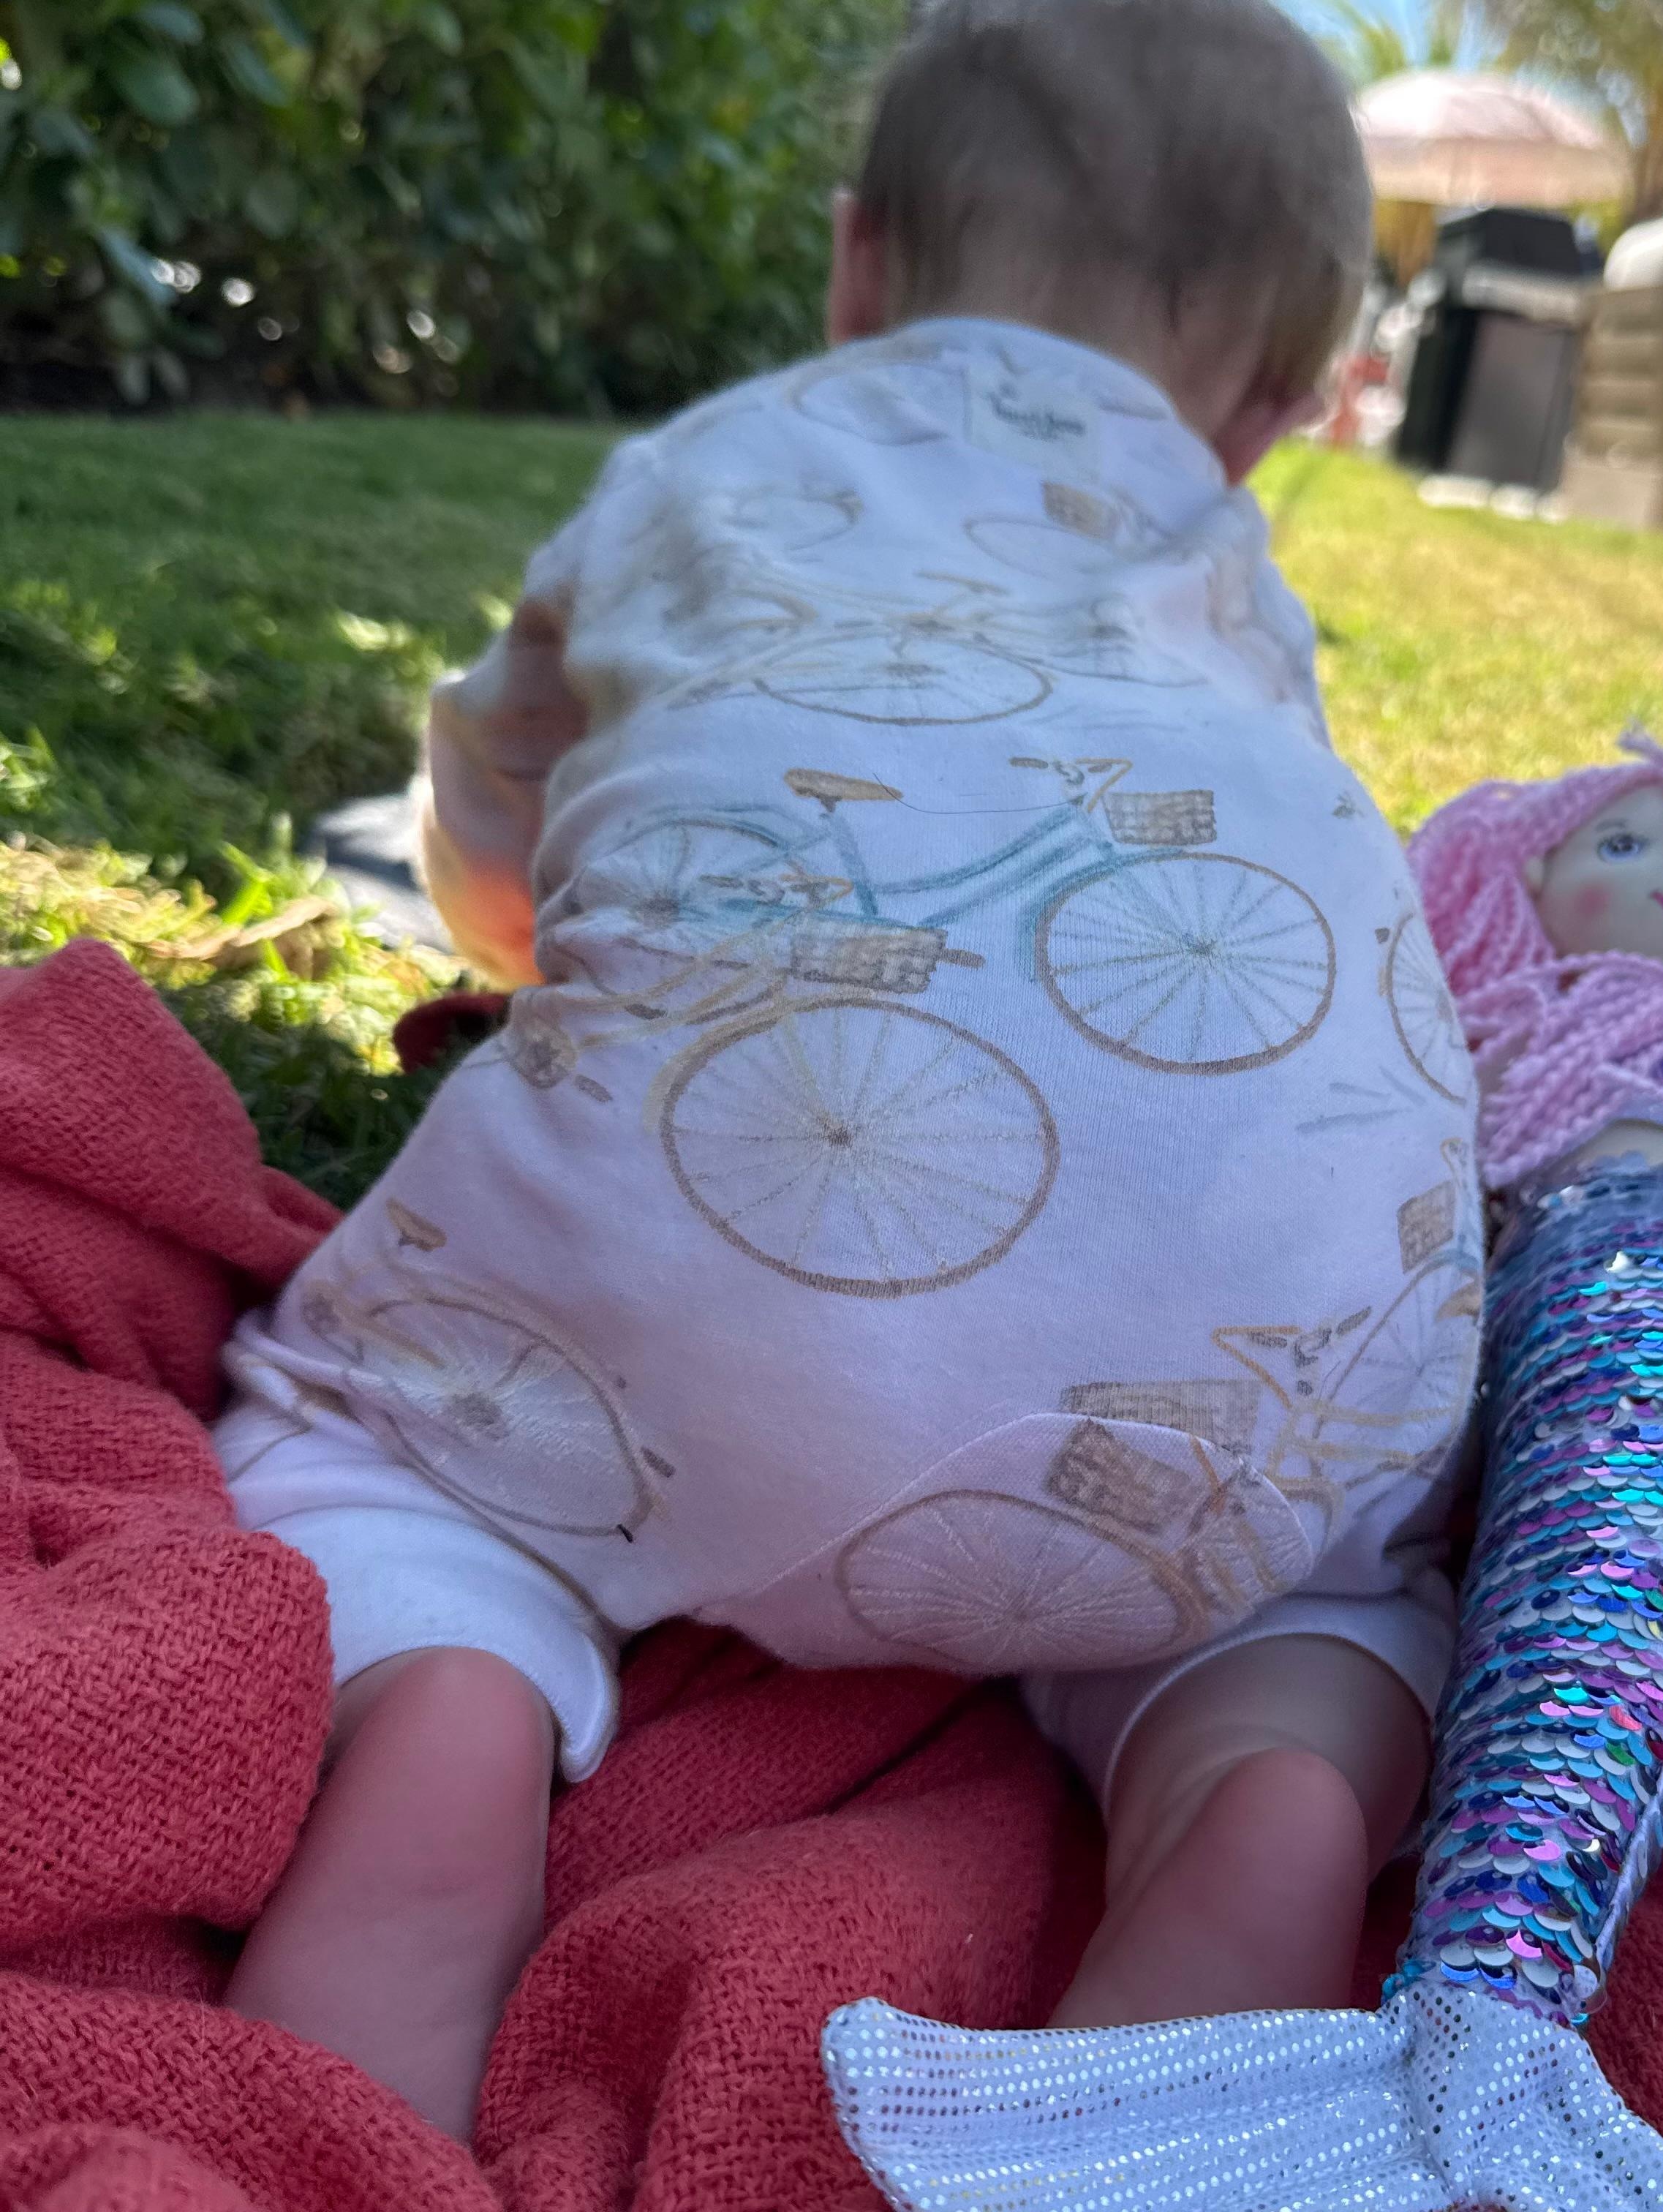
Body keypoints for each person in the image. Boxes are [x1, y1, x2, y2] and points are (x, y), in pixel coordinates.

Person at [215, 0, 1483, 2140]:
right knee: (1328, 1587)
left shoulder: (700, 476)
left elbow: (502, 825)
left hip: (672, 1340)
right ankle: (1250, 1765)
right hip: (1239, 1366)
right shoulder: (1226, 576)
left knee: (386, 1458)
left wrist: (517, 927)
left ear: (856, 267)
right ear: (1277, 403)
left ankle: (447, 1695)